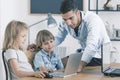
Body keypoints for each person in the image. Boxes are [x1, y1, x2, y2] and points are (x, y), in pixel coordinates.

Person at [54, 0, 110, 72]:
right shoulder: (65, 23)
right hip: (84, 52)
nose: (68, 23)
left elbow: (92, 46)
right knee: (57, 62)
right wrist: (40, 46)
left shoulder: (92, 20)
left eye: (71, 18)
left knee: (64, 63)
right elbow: (58, 38)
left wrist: (80, 66)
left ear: (77, 13)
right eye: (65, 19)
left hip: (99, 55)